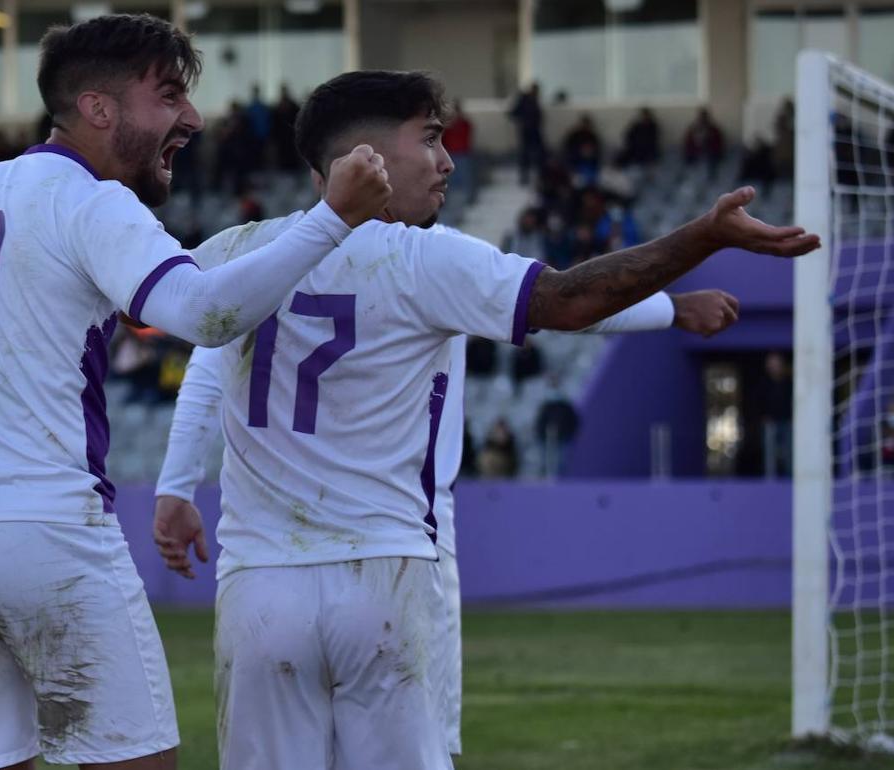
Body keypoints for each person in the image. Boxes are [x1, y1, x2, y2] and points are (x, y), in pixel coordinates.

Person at [0, 14, 390, 770]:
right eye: (171, 96)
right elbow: (207, 314)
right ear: (99, 109)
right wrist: (332, 219)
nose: (193, 117)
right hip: (47, 530)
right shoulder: (92, 202)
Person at [151, 69, 811, 768]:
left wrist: (175, 485)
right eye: (430, 139)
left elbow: (204, 359)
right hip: (386, 569)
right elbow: (566, 301)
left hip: (260, 582)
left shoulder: (236, 251)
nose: (448, 160)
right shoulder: (423, 256)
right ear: (366, 158)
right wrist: (701, 239)